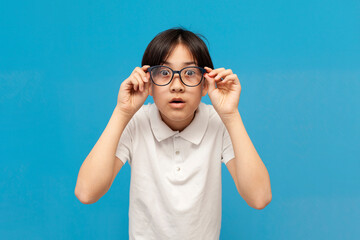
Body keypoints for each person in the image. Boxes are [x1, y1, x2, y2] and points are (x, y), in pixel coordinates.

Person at [75, 27, 272, 240]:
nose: (176, 86)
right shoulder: (136, 122)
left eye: (189, 73)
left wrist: (231, 115)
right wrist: (122, 112)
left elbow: (259, 197)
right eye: (164, 73)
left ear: (205, 84)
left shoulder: (219, 122)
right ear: (147, 82)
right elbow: (86, 192)